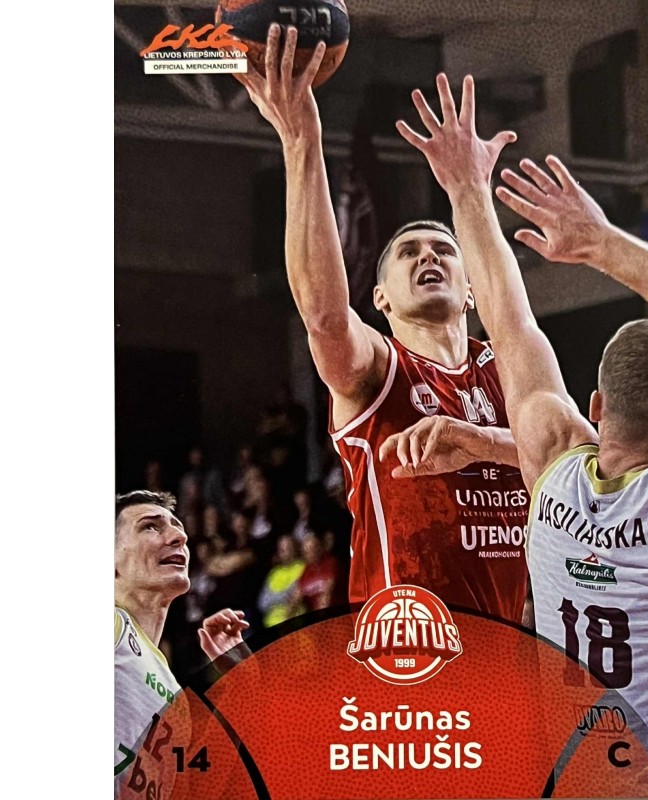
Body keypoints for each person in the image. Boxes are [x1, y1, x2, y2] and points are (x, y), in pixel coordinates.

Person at [389, 74, 648, 793]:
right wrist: (608, 246)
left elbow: (509, 321)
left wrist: (466, 188)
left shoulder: (550, 462)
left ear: (596, 406)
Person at [234, 27, 529, 623]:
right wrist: (301, 140)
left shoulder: (509, 369)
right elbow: (323, 315)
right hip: (405, 648)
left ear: (471, 290)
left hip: (509, 643)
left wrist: (480, 441)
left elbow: (580, 450)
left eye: (443, 250)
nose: (428, 257)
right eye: (409, 252)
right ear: (381, 299)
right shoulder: (378, 367)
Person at [114, 490, 249, 793]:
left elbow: (199, 788)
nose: (180, 537)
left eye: (178, 527)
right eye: (151, 526)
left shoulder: (175, 696)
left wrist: (242, 685)